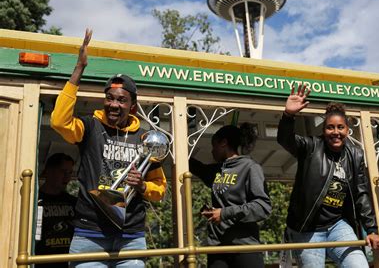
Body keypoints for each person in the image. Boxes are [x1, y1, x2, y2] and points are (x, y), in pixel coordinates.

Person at [50, 29, 167, 267]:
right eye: (109, 98)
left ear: (132, 106)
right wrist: (79, 69)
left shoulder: (145, 139)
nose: (114, 104)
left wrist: (142, 185)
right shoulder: (90, 126)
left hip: (131, 238)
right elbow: (59, 121)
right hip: (89, 234)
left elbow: (160, 190)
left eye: (121, 100)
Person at [277, 85, 379, 268]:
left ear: (347, 130)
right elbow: (285, 140)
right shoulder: (311, 147)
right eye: (330, 127)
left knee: (359, 265)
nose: (336, 132)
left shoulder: (355, 155)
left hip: (338, 225)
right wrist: (288, 115)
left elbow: (361, 194)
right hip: (307, 229)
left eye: (340, 127)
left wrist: (372, 229)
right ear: (323, 130)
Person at [189, 123, 272, 268]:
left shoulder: (250, 167)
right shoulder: (216, 171)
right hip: (217, 247)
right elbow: (196, 167)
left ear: (224, 143)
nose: (212, 151)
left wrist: (225, 213)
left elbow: (263, 207)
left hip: (244, 247)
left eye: (213, 146)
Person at [35, 153, 77, 268]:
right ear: (48, 171)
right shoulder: (34, 201)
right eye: (63, 171)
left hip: (68, 261)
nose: (67, 177)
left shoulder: (74, 202)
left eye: (69, 173)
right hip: (41, 261)